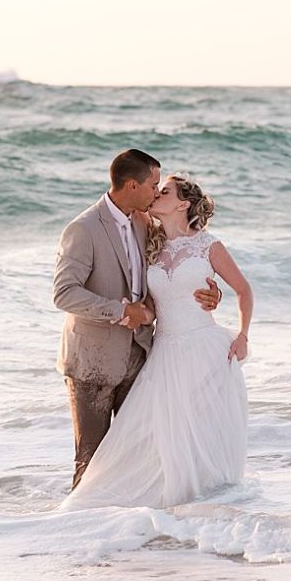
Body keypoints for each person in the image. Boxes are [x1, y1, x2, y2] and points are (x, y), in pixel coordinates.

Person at [59, 173, 252, 510]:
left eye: (165, 191)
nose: (157, 194)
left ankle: (202, 512)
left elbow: (244, 290)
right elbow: (149, 299)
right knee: (151, 434)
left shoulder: (209, 245)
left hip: (205, 349)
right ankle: (115, 511)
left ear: (183, 203)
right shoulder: (151, 240)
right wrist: (139, 314)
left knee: (197, 431)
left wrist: (243, 333)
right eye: (156, 189)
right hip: (163, 351)